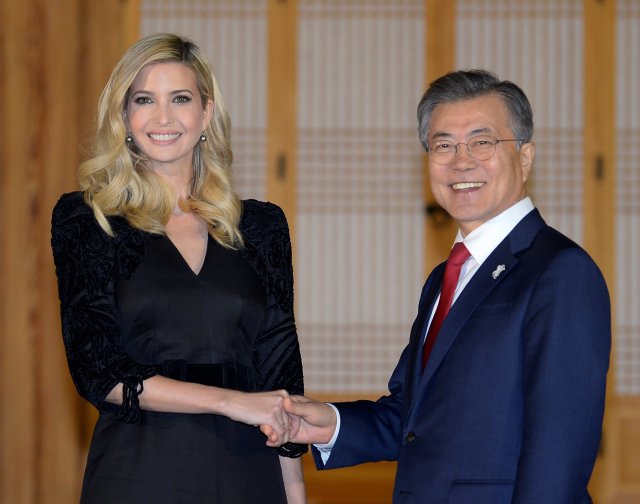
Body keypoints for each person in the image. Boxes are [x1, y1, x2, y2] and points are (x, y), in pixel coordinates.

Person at [274, 69, 611, 503]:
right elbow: (414, 416)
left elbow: (558, 456)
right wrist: (332, 423)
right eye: (444, 145)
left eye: (482, 142)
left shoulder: (560, 272)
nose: (461, 160)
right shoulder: (446, 276)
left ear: (526, 157)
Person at [51, 33, 307, 504]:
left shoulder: (263, 226)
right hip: (138, 473)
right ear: (124, 117)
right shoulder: (87, 220)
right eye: (144, 99)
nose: (163, 117)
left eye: (181, 98)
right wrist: (230, 402)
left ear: (206, 113)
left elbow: (280, 377)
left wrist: (293, 492)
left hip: (249, 475)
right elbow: (97, 368)